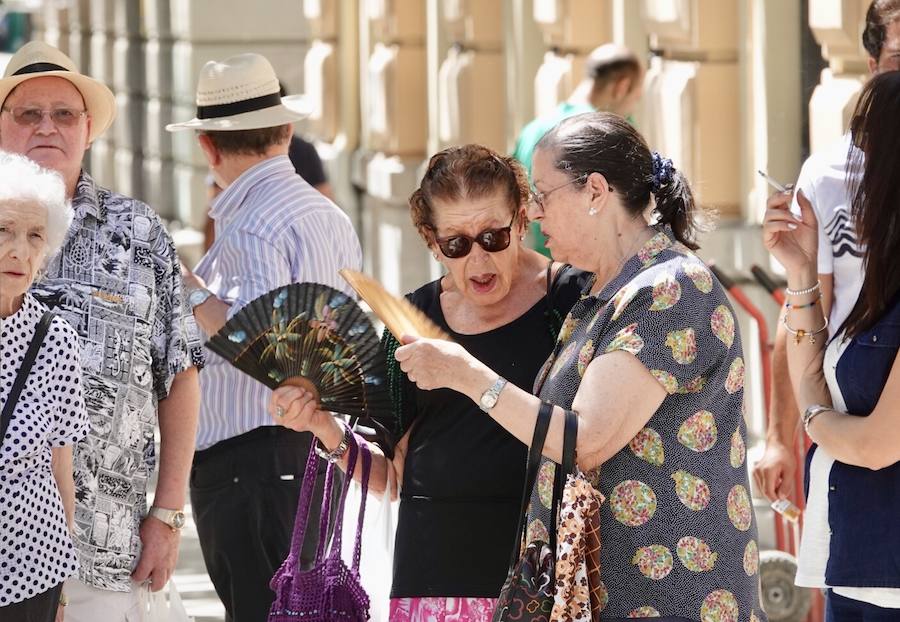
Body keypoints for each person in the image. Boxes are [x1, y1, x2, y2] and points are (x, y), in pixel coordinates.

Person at [389, 114, 766, 621]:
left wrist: (467, 375)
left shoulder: (668, 289)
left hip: (670, 594)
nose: (536, 215)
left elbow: (584, 439)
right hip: (611, 590)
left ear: (594, 191)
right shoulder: (605, 292)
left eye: (543, 195)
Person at [268, 144, 589, 621]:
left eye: (492, 237)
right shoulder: (410, 319)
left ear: (522, 222)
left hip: (548, 578)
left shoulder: (569, 302)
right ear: (432, 241)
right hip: (433, 582)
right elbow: (387, 478)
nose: (477, 258)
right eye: (456, 243)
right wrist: (322, 425)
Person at [0, 41, 203, 621]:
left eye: (64, 113)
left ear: (87, 129)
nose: (48, 127)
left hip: (110, 548)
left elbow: (181, 374)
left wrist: (167, 516)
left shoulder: (138, 233)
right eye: (28, 113)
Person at [169, 52, 363, 622]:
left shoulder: (254, 223)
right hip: (308, 450)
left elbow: (267, 348)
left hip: (254, 463)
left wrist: (191, 291)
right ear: (287, 129)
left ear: (207, 144)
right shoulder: (324, 213)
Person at [764, 71, 900, 621]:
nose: (848, 170)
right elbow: (813, 372)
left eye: (866, 152)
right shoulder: (876, 299)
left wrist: (814, 423)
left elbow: (875, 444)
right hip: (858, 561)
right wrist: (799, 270)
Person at [754, 0, 900, 505]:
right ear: (874, 66)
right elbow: (804, 304)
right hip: (848, 434)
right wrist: (779, 436)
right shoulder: (830, 173)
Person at [0, 152, 86, 621]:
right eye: (4, 231)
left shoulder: (56, 339)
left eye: (35, 236)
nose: (20, 250)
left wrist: (63, 585)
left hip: (34, 568)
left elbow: (61, 468)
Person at [513, 43, 644, 257]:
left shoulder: (532, 129)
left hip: (541, 270)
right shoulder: (602, 134)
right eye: (636, 97)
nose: (633, 108)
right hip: (584, 270)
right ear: (621, 87)